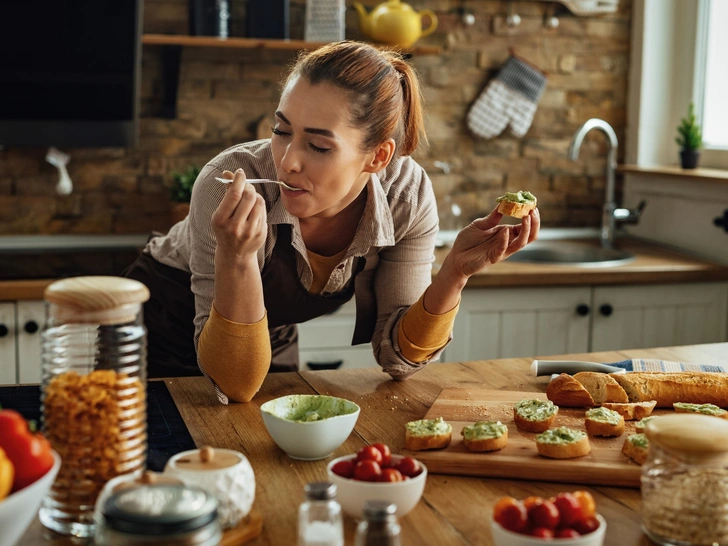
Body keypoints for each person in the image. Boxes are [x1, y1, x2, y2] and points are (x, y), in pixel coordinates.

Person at [124, 41, 540, 404]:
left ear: (377, 157)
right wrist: (236, 257)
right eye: (281, 130)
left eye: (319, 145)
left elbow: (399, 359)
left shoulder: (405, 197)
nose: (287, 162)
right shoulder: (232, 180)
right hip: (166, 322)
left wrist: (452, 274)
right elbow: (232, 384)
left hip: (267, 330)